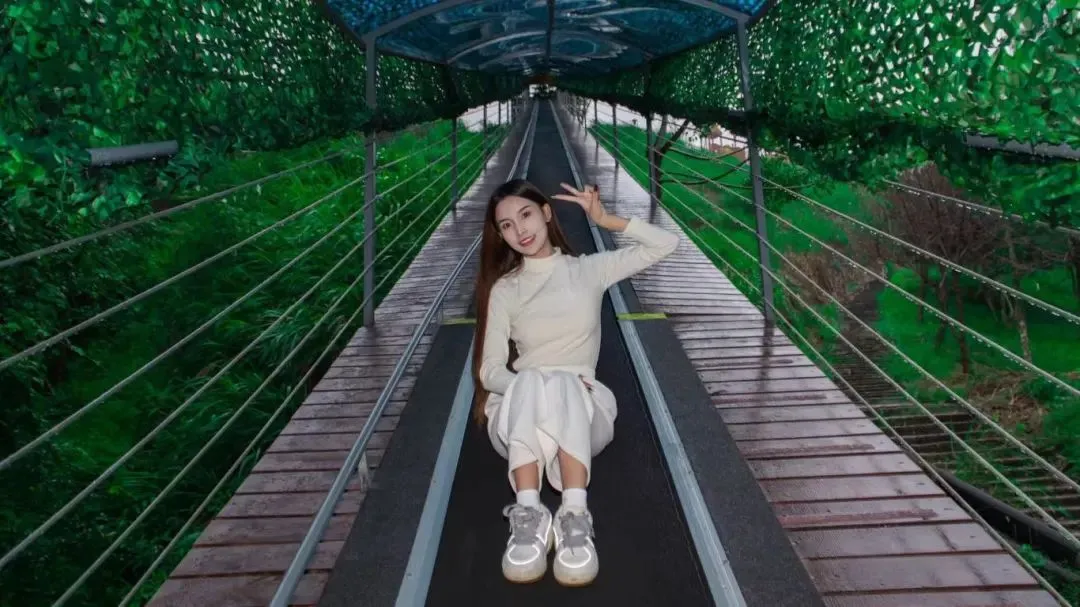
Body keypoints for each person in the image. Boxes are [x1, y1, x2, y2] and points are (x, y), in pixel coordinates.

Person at [471, 178, 679, 586]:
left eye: (526, 215)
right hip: (519, 417)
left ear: (547, 212)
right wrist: (529, 385)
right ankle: (529, 512)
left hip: (584, 410)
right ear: (501, 235)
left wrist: (607, 220)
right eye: (507, 225)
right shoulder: (504, 290)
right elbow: (489, 372)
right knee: (543, 379)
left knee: (566, 382)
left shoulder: (588, 270)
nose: (520, 230)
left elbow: (665, 244)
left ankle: (574, 513)